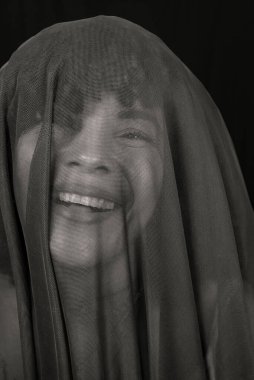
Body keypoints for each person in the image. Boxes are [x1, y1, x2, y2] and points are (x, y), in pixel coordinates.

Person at [1, 15, 254, 379]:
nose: (90, 157)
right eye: (60, 118)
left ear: (175, 169)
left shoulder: (228, 325)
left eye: (133, 133)